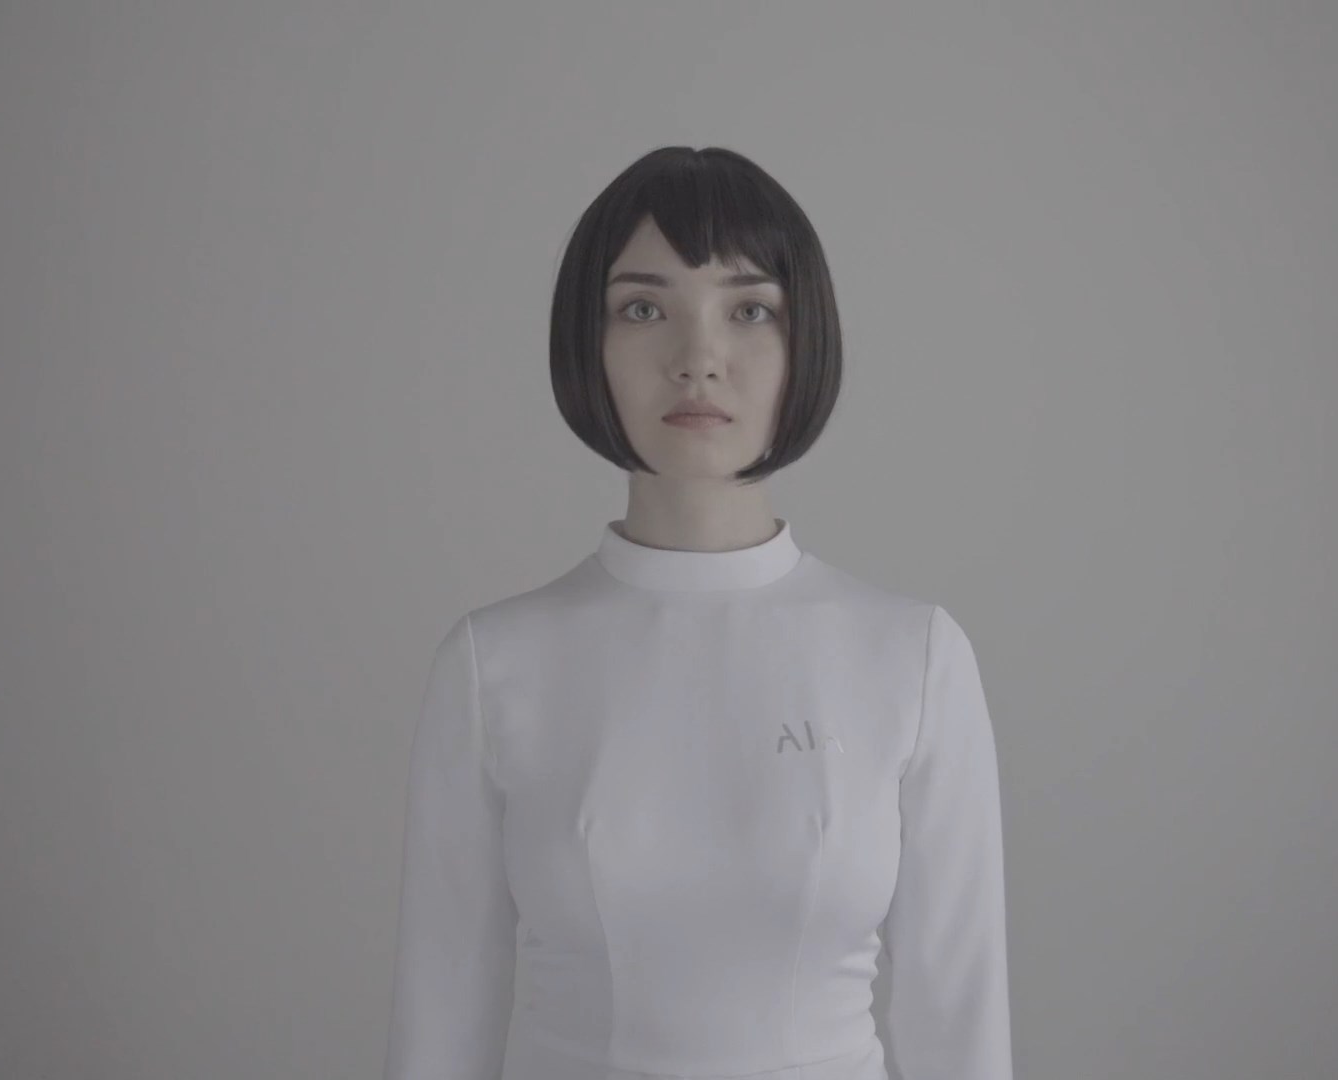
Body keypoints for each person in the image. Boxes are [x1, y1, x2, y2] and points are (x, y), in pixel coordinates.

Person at [383, 145, 1013, 1080]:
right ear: (587, 343)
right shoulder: (494, 665)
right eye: (644, 309)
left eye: (749, 310)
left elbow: (959, 1025)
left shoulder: (913, 656)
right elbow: (440, 1028)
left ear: (804, 343)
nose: (698, 360)